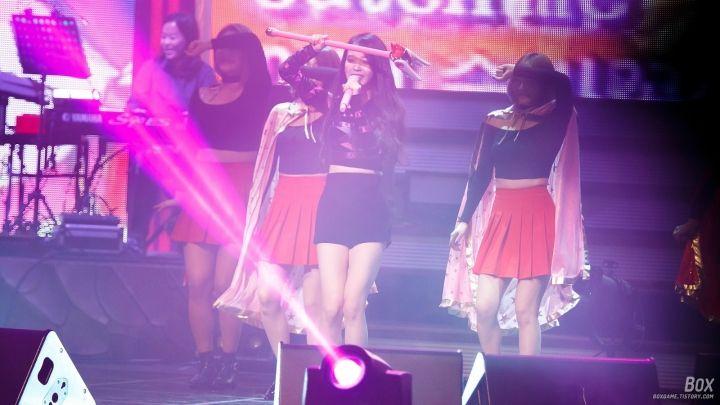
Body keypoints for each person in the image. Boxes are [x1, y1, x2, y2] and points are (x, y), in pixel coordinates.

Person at [215, 46, 340, 400]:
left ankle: (318, 381)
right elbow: (266, 167)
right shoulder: (281, 113)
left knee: (315, 307)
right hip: (283, 205)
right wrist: (256, 215)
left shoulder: (334, 111)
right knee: (267, 297)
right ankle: (287, 372)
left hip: (321, 204)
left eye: (318, 70)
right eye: (307, 71)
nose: (309, 78)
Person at [443, 53, 588, 355]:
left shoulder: (555, 118)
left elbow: (564, 83)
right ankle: (494, 373)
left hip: (537, 215)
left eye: (530, 81)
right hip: (501, 216)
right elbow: (481, 172)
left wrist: (518, 69)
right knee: (484, 308)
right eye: (518, 81)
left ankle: (525, 379)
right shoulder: (496, 120)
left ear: (543, 84)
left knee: (525, 311)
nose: (521, 87)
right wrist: (464, 220)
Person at [269, 33, 405, 347]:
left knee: (353, 305)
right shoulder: (330, 101)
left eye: (364, 62)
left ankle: (357, 375)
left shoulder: (389, 109)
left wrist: (351, 101)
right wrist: (311, 50)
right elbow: (287, 71)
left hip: (369, 209)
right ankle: (329, 373)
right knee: (330, 308)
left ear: (376, 68)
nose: (356, 67)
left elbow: (375, 149)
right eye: (351, 61)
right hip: (333, 206)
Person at [156, 24, 271, 388]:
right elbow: (190, 147)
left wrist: (211, 41)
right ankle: (205, 360)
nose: (224, 55)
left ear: (247, 54)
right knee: (199, 284)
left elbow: (249, 41)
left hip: (240, 189)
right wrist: (181, 192)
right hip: (203, 191)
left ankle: (228, 361)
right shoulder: (202, 94)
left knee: (226, 284)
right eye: (220, 50)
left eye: (231, 48)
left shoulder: (261, 93)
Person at [125, 12, 216, 252]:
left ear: (189, 39)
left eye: (173, 37)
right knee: (145, 162)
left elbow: (209, 116)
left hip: (189, 153)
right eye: (164, 37)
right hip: (154, 149)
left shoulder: (204, 74)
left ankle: (183, 236)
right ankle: (136, 236)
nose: (166, 42)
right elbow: (134, 108)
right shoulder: (151, 68)